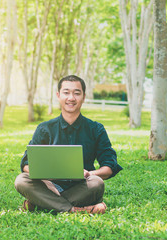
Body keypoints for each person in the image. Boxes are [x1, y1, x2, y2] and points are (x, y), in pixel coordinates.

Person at [14, 75, 122, 214]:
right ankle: (75, 210)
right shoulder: (44, 128)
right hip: (49, 185)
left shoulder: (96, 129)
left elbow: (109, 167)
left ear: (83, 97)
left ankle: (41, 203)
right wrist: (48, 177)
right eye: (66, 92)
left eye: (77, 93)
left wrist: (90, 173)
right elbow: (26, 165)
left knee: (97, 183)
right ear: (58, 96)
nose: (71, 98)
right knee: (21, 180)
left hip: (83, 186)